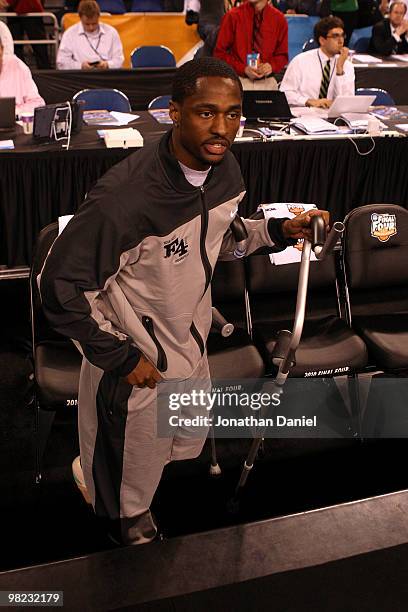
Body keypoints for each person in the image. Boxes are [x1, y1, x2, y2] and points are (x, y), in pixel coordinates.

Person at [38, 57, 329, 546]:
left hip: (190, 344)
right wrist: (120, 355)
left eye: (233, 113)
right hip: (137, 360)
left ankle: (110, 480)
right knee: (128, 480)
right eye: (206, 113)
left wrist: (278, 231)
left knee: (174, 448)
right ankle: (125, 523)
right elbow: (58, 286)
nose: (222, 128)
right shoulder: (124, 200)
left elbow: (220, 238)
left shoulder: (223, 168)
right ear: (174, 112)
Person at [280, 16, 355, 108]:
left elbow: (347, 102)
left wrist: (339, 71)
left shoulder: (346, 65)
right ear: (322, 40)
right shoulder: (300, 61)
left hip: (334, 117)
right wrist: (308, 101)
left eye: (342, 35)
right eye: (335, 36)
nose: (341, 41)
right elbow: (285, 93)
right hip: (305, 114)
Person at [213, 0, 288, 90]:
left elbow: (282, 55)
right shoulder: (232, 16)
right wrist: (243, 69)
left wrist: (271, 66)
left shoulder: (279, 19)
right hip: (238, 81)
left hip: (267, 82)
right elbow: (219, 54)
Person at [56, 0, 124, 70]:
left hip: (106, 76)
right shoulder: (69, 34)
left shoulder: (111, 32)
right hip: (80, 77)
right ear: (80, 18)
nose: (91, 27)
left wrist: (107, 65)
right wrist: (80, 66)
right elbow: (61, 62)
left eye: (94, 23)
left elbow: (119, 60)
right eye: (87, 24)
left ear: (98, 16)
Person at [0, 36, 45, 114]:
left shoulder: (17, 66)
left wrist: (13, 112)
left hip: (14, 123)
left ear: (2, 49)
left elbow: (38, 104)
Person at [0, 0, 50, 69]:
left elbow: (5, 3)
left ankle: (45, 69)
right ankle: (19, 68)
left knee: (38, 43)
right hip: (14, 11)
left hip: (30, 9)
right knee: (16, 44)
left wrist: (6, 2)